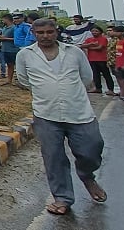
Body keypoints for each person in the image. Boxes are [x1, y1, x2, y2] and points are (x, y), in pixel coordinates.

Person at [15, 18, 106, 215]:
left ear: (56, 31)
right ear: (33, 33)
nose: (45, 36)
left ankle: (86, 175)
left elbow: (86, 78)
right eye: (40, 33)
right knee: (53, 158)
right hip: (46, 114)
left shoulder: (74, 52)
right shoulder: (25, 55)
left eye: (49, 32)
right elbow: (24, 80)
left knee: (92, 149)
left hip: (79, 113)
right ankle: (63, 198)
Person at [81, 26, 115, 96]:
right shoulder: (89, 39)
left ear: (100, 32)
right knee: (95, 75)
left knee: (106, 75)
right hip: (92, 59)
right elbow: (82, 46)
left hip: (102, 60)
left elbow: (99, 47)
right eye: (93, 31)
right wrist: (90, 45)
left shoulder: (103, 39)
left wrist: (88, 47)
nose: (94, 32)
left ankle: (111, 89)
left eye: (96, 31)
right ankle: (98, 88)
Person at [0, 14, 19, 85]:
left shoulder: (14, 28)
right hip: (5, 49)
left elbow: (17, 39)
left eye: (3, 19)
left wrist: (5, 38)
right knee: (9, 65)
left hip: (13, 49)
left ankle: (18, 80)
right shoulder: (4, 28)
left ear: (7, 19)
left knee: (15, 65)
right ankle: (9, 80)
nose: (2, 21)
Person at [112, 25, 124, 101]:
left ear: (122, 33)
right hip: (119, 64)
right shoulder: (119, 42)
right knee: (121, 79)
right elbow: (119, 54)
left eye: (116, 32)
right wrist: (117, 65)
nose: (114, 33)